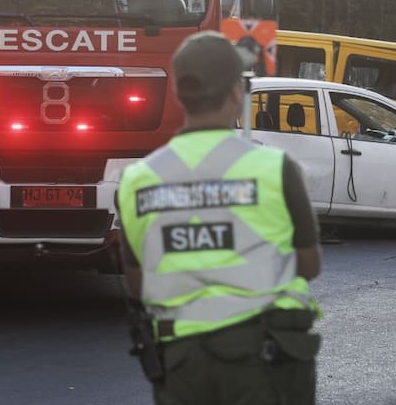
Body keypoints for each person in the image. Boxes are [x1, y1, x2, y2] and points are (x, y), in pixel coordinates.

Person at [117, 30, 322, 405]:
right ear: (235, 93)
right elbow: (309, 265)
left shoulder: (137, 181)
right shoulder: (275, 169)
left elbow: (136, 283)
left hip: (181, 362)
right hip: (268, 357)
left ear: (180, 94)